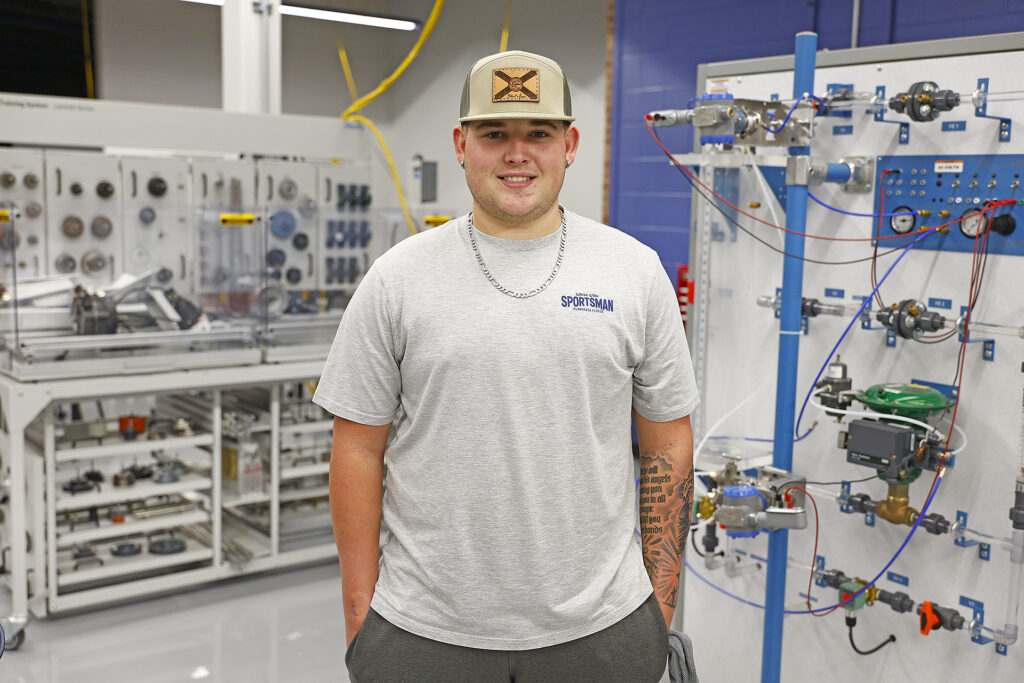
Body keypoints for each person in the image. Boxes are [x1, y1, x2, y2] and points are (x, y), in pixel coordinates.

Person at [313, 49, 698, 682]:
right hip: (422, 631)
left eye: (538, 134)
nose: (517, 153)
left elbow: (667, 438)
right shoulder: (398, 279)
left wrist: (659, 604)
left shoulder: (634, 272)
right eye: (495, 134)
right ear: (461, 145)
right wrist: (361, 611)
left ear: (570, 144)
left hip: (602, 629)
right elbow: (356, 447)